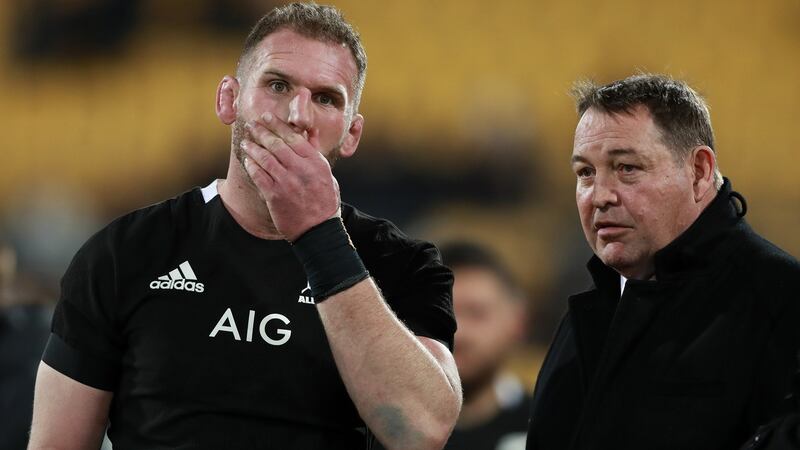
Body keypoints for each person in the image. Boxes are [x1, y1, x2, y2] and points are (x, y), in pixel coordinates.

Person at [27, 4, 462, 450]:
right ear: (229, 99)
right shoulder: (125, 252)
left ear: (351, 133)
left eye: (326, 98)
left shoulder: (400, 263)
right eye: (277, 85)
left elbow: (421, 432)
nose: (298, 116)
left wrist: (321, 236)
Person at [526, 74, 800, 450]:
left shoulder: (782, 301)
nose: (599, 196)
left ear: (700, 171)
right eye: (585, 173)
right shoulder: (587, 315)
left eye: (626, 168)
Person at [440, 241, 529, 450]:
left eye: (476, 313)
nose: (458, 333)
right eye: (440, 314)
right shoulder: (370, 430)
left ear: (517, 321)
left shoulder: (552, 425)